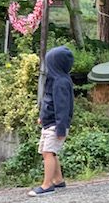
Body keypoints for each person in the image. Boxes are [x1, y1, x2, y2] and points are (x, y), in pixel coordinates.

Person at [28, 46, 74, 197]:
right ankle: (58, 180)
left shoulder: (61, 82)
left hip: (56, 125)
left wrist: (61, 128)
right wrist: (43, 116)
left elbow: (63, 107)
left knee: (49, 152)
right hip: (49, 122)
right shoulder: (54, 80)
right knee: (48, 153)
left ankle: (47, 185)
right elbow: (49, 101)